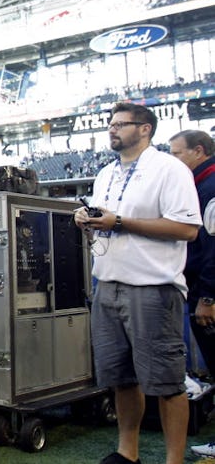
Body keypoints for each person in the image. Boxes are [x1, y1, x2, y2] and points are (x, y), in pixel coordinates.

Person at [74, 102, 200, 464]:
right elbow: (106, 220)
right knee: (122, 378)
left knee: (168, 382)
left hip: (152, 288)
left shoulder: (169, 169)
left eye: (120, 124)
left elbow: (187, 229)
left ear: (145, 129)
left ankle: (173, 460)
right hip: (107, 284)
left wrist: (119, 222)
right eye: (111, 124)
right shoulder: (105, 173)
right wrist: (87, 219)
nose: (112, 129)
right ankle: (127, 453)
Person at [168, 130, 215, 458]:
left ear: (199, 151)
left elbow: (213, 248)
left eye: (177, 153)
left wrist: (208, 297)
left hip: (208, 293)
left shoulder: (209, 187)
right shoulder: (199, 185)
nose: (173, 160)